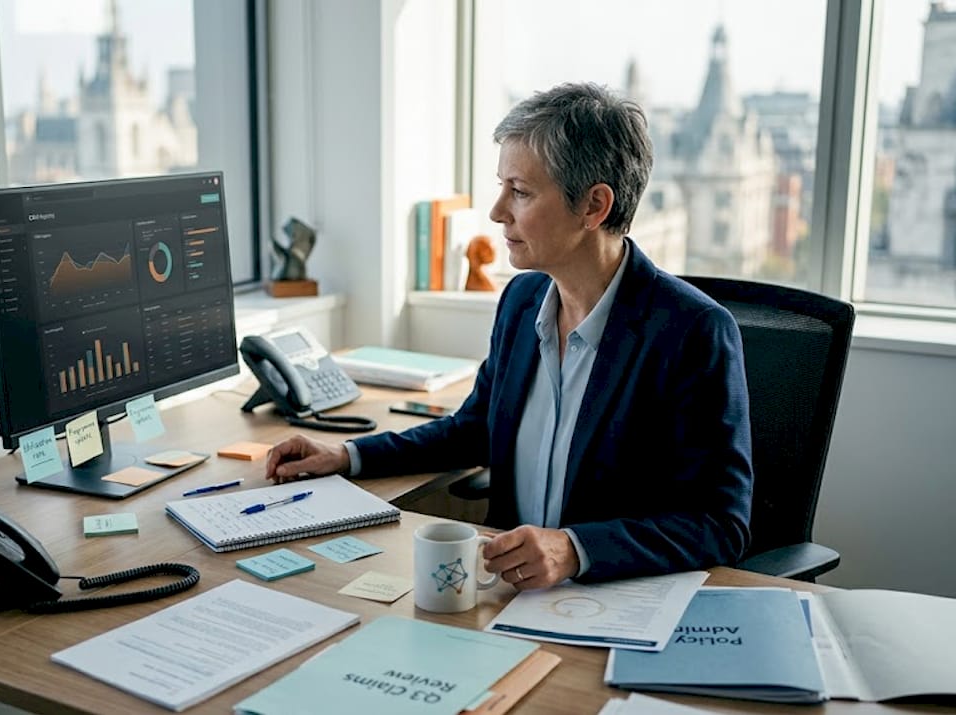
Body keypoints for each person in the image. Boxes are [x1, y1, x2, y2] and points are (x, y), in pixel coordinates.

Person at [265, 82, 753, 590]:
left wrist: (574, 548)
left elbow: (720, 525)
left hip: (609, 599)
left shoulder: (692, 332)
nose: (498, 211)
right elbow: (474, 429)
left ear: (594, 206)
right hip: (506, 592)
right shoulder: (522, 301)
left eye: (519, 192)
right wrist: (349, 455)